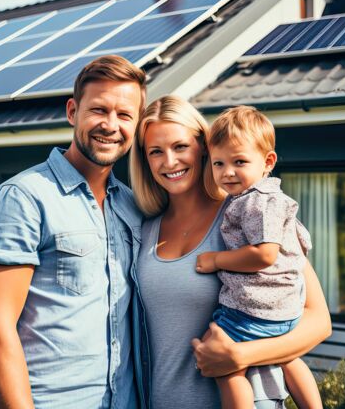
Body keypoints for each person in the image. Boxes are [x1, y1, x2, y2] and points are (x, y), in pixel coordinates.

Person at [129, 95, 331, 409]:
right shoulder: (142, 231)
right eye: (156, 151)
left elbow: (318, 321)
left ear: (204, 147)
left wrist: (240, 356)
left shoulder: (251, 216)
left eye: (181, 146)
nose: (169, 162)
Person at [0, 55, 146, 408]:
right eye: (98, 110)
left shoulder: (133, 206)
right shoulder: (23, 197)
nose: (111, 125)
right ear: (72, 112)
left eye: (124, 115)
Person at [195, 106, 322, 409]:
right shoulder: (273, 198)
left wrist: (215, 260)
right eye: (218, 163)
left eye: (239, 162)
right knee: (288, 357)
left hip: (253, 309)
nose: (227, 172)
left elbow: (265, 254)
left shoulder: (255, 201)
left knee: (228, 367)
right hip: (286, 311)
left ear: (268, 162)